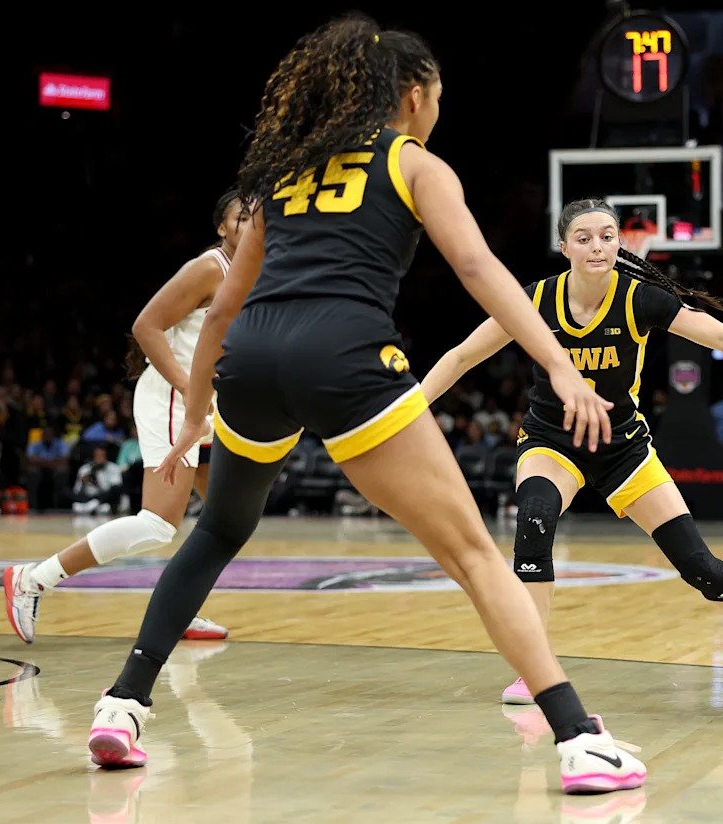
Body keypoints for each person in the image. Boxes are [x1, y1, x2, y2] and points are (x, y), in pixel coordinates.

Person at [84, 18, 644, 794]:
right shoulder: (413, 162)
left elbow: (221, 312)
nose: (437, 111)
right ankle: (580, 739)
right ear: (412, 97)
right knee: (473, 555)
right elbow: (478, 269)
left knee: (215, 531)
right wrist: (559, 363)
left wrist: (196, 415)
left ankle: (121, 706)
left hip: (252, 359)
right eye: (437, 97)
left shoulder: (285, 173)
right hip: (342, 355)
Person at [421, 198, 723, 705]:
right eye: (584, 238)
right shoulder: (535, 300)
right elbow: (462, 356)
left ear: (620, 243)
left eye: (606, 236)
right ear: (564, 247)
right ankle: (535, 668)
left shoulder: (638, 298)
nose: (597, 247)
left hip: (622, 448)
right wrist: (411, 410)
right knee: (533, 519)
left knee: (700, 566)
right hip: (552, 441)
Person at [2, 190, 247, 644]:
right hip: (174, 398)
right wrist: (189, 390)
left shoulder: (253, 271)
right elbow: (145, 325)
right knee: (158, 523)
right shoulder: (210, 267)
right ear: (221, 227)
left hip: (206, 404)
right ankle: (32, 579)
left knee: (226, 520)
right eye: (241, 217)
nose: (250, 225)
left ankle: (178, 608)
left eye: (257, 217)